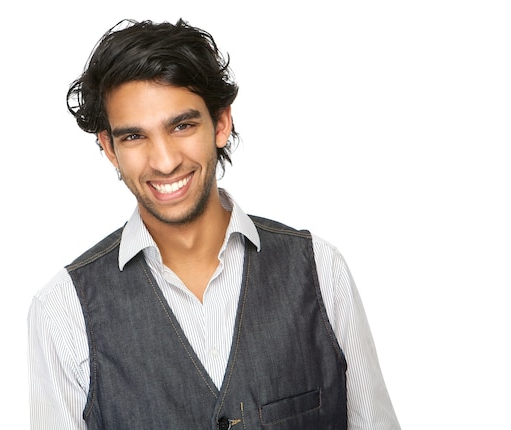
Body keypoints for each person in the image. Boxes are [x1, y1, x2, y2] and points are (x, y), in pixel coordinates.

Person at [28, 18, 401, 430]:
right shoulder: (63, 311)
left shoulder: (319, 270)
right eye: (134, 137)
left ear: (221, 124)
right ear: (109, 148)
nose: (165, 160)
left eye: (182, 125)